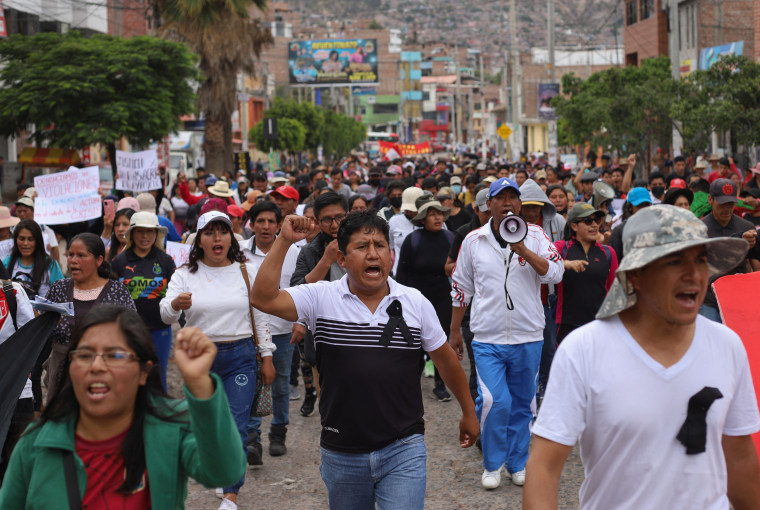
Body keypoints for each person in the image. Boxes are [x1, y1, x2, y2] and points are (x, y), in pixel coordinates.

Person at [524, 205, 760, 510]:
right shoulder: (585, 350)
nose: (694, 275)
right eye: (675, 261)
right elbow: (544, 466)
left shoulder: (726, 344)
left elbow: (739, 456)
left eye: (701, 260)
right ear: (636, 275)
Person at [252, 210, 479, 510]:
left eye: (380, 245)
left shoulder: (414, 302)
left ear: (391, 255)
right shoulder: (321, 297)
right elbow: (263, 298)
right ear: (342, 259)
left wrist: (468, 411)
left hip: (404, 448)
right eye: (362, 246)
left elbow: (446, 360)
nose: (373, 254)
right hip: (341, 452)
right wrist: (283, 240)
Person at [0, 306, 246, 509]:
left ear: (143, 372)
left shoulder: (170, 430)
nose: (96, 366)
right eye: (84, 355)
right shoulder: (36, 443)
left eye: (114, 355)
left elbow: (224, 472)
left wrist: (198, 382)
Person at [450, 177, 564, 490]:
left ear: (520, 204)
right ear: (490, 204)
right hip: (487, 338)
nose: (508, 203)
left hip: (529, 336)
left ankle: (517, 463)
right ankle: (492, 463)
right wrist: (454, 332)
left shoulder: (537, 236)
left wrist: (524, 249)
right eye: (501, 198)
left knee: (523, 404)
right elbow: (461, 287)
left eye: (514, 198)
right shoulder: (474, 241)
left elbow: (556, 272)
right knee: (493, 400)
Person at [159, 210, 275, 510]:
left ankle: (231, 493)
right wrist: (174, 303)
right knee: (207, 424)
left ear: (231, 236)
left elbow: (261, 313)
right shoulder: (184, 273)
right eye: (209, 232)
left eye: (222, 231)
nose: (217, 238)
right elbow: (165, 313)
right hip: (200, 360)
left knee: (236, 424)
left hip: (241, 357)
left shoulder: (246, 270)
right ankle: (218, 468)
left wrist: (267, 355)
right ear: (199, 239)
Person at [241, 201, 300, 465]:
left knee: (280, 383)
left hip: (283, 330)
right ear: (251, 224)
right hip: (250, 331)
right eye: (260, 221)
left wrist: (303, 322)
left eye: (270, 222)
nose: (265, 227)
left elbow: (301, 288)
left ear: (279, 225)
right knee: (252, 384)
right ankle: (253, 438)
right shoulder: (239, 252)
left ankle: (279, 431)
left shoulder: (293, 251)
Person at [45, 233, 136, 403]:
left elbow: (132, 332)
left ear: (99, 260)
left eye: (81, 255)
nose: (73, 260)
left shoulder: (117, 292)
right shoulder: (59, 289)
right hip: (60, 373)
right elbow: (42, 331)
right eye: (70, 255)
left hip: (102, 370)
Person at [290, 192, 349, 417]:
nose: (334, 225)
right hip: (325, 341)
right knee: (332, 409)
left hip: (364, 336)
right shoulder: (310, 252)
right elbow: (297, 292)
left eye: (339, 217)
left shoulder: (364, 244)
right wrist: (326, 260)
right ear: (317, 222)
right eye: (327, 219)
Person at [396, 195, 454, 402]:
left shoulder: (450, 238)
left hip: (443, 298)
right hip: (417, 299)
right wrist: (400, 302)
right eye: (432, 214)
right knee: (414, 342)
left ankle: (440, 385)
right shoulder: (413, 240)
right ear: (422, 219)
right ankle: (410, 384)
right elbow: (402, 273)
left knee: (441, 341)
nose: (437, 218)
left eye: (439, 213)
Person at [111, 211, 176, 390]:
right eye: (140, 231)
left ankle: (158, 414)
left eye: (150, 231)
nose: (145, 236)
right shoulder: (119, 262)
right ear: (132, 233)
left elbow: (175, 294)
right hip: (127, 330)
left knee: (158, 374)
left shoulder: (166, 261)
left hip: (160, 330)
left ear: (157, 233)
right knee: (129, 373)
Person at [553, 204, 618, 344]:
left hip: (599, 325)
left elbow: (614, 290)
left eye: (597, 220)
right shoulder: (561, 248)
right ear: (574, 226)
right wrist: (567, 264)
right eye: (588, 220)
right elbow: (545, 263)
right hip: (567, 324)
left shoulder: (608, 253)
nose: (594, 225)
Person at [698, 179, 760, 322]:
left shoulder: (746, 226)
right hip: (709, 301)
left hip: (739, 300)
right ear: (710, 200)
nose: (726, 209)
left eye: (730, 204)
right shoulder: (699, 229)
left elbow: (754, 265)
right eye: (722, 204)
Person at [4, 219, 64, 299]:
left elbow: (61, 295)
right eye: (22, 239)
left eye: (30, 239)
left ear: (38, 241)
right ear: (16, 240)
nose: (25, 243)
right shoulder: (7, 262)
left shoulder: (50, 264)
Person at [13, 195, 61, 263]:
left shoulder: (43, 228)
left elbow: (54, 248)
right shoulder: (14, 229)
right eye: (19, 211)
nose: (22, 214)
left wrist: (56, 267)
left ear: (33, 211)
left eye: (25, 211)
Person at [389, 186, 424, 276]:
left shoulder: (430, 223)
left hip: (423, 275)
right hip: (400, 274)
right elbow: (390, 246)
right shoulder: (394, 221)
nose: (410, 212)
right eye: (408, 209)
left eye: (414, 210)